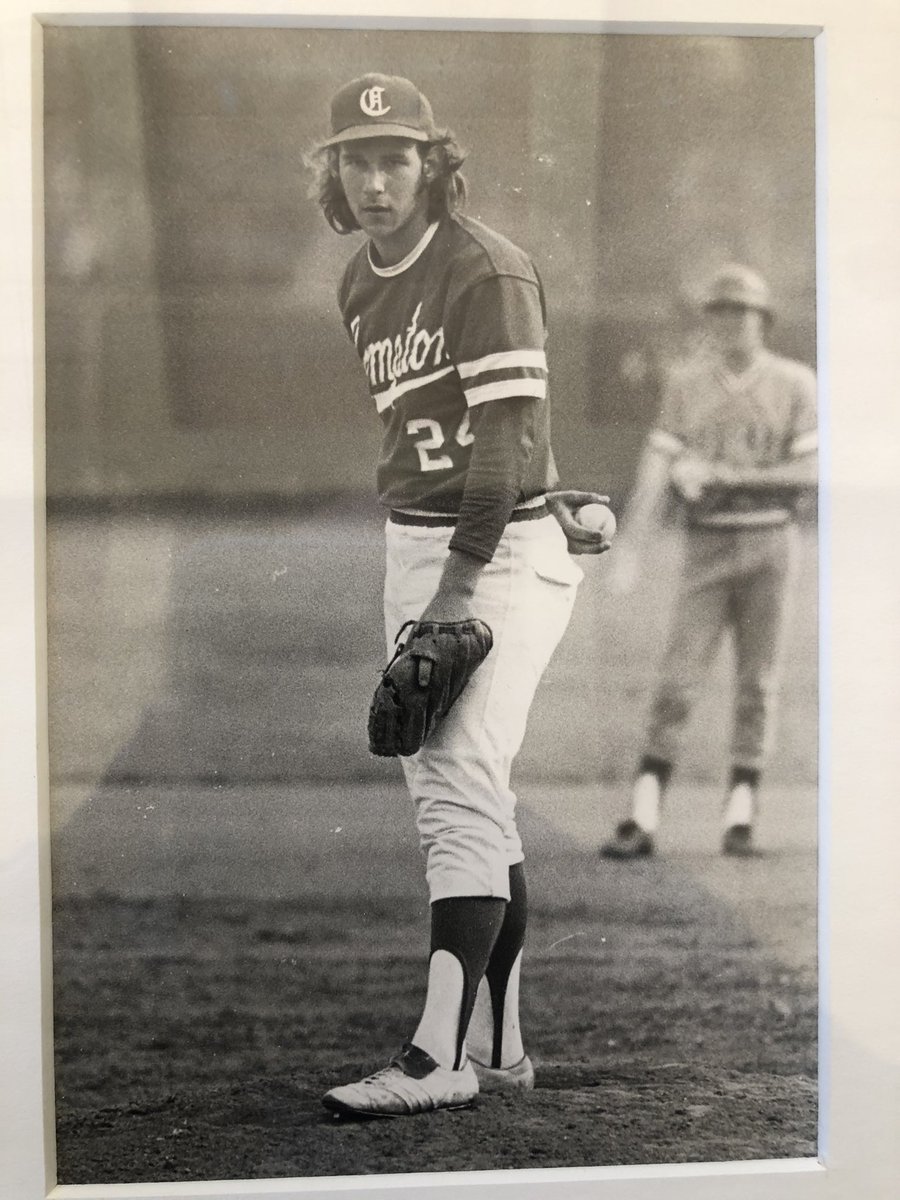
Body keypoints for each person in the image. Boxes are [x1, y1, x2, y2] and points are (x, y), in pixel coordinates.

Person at [307, 73, 610, 1117]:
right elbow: (480, 418)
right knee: (467, 792)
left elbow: (504, 442)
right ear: (335, 173)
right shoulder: (360, 283)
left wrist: (460, 589)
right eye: (359, 157)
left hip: (500, 554)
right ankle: (504, 1046)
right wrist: (547, 483)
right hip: (420, 544)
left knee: (454, 788)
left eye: (397, 157)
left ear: (432, 165)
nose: (378, 177)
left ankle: (437, 1057)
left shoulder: (485, 268)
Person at [600, 264, 817, 860]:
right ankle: (642, 816)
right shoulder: (687, 383)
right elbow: (654, 472)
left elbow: (812, 471)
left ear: (762, 319)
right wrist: (632, 548)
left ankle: (741, 817)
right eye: (719, 310)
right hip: (708, 546)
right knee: (678, 680)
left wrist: (724, 474)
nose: (730, 321)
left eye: (741, 310)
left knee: (758, 683)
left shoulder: (794, 382)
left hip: (772, 545)